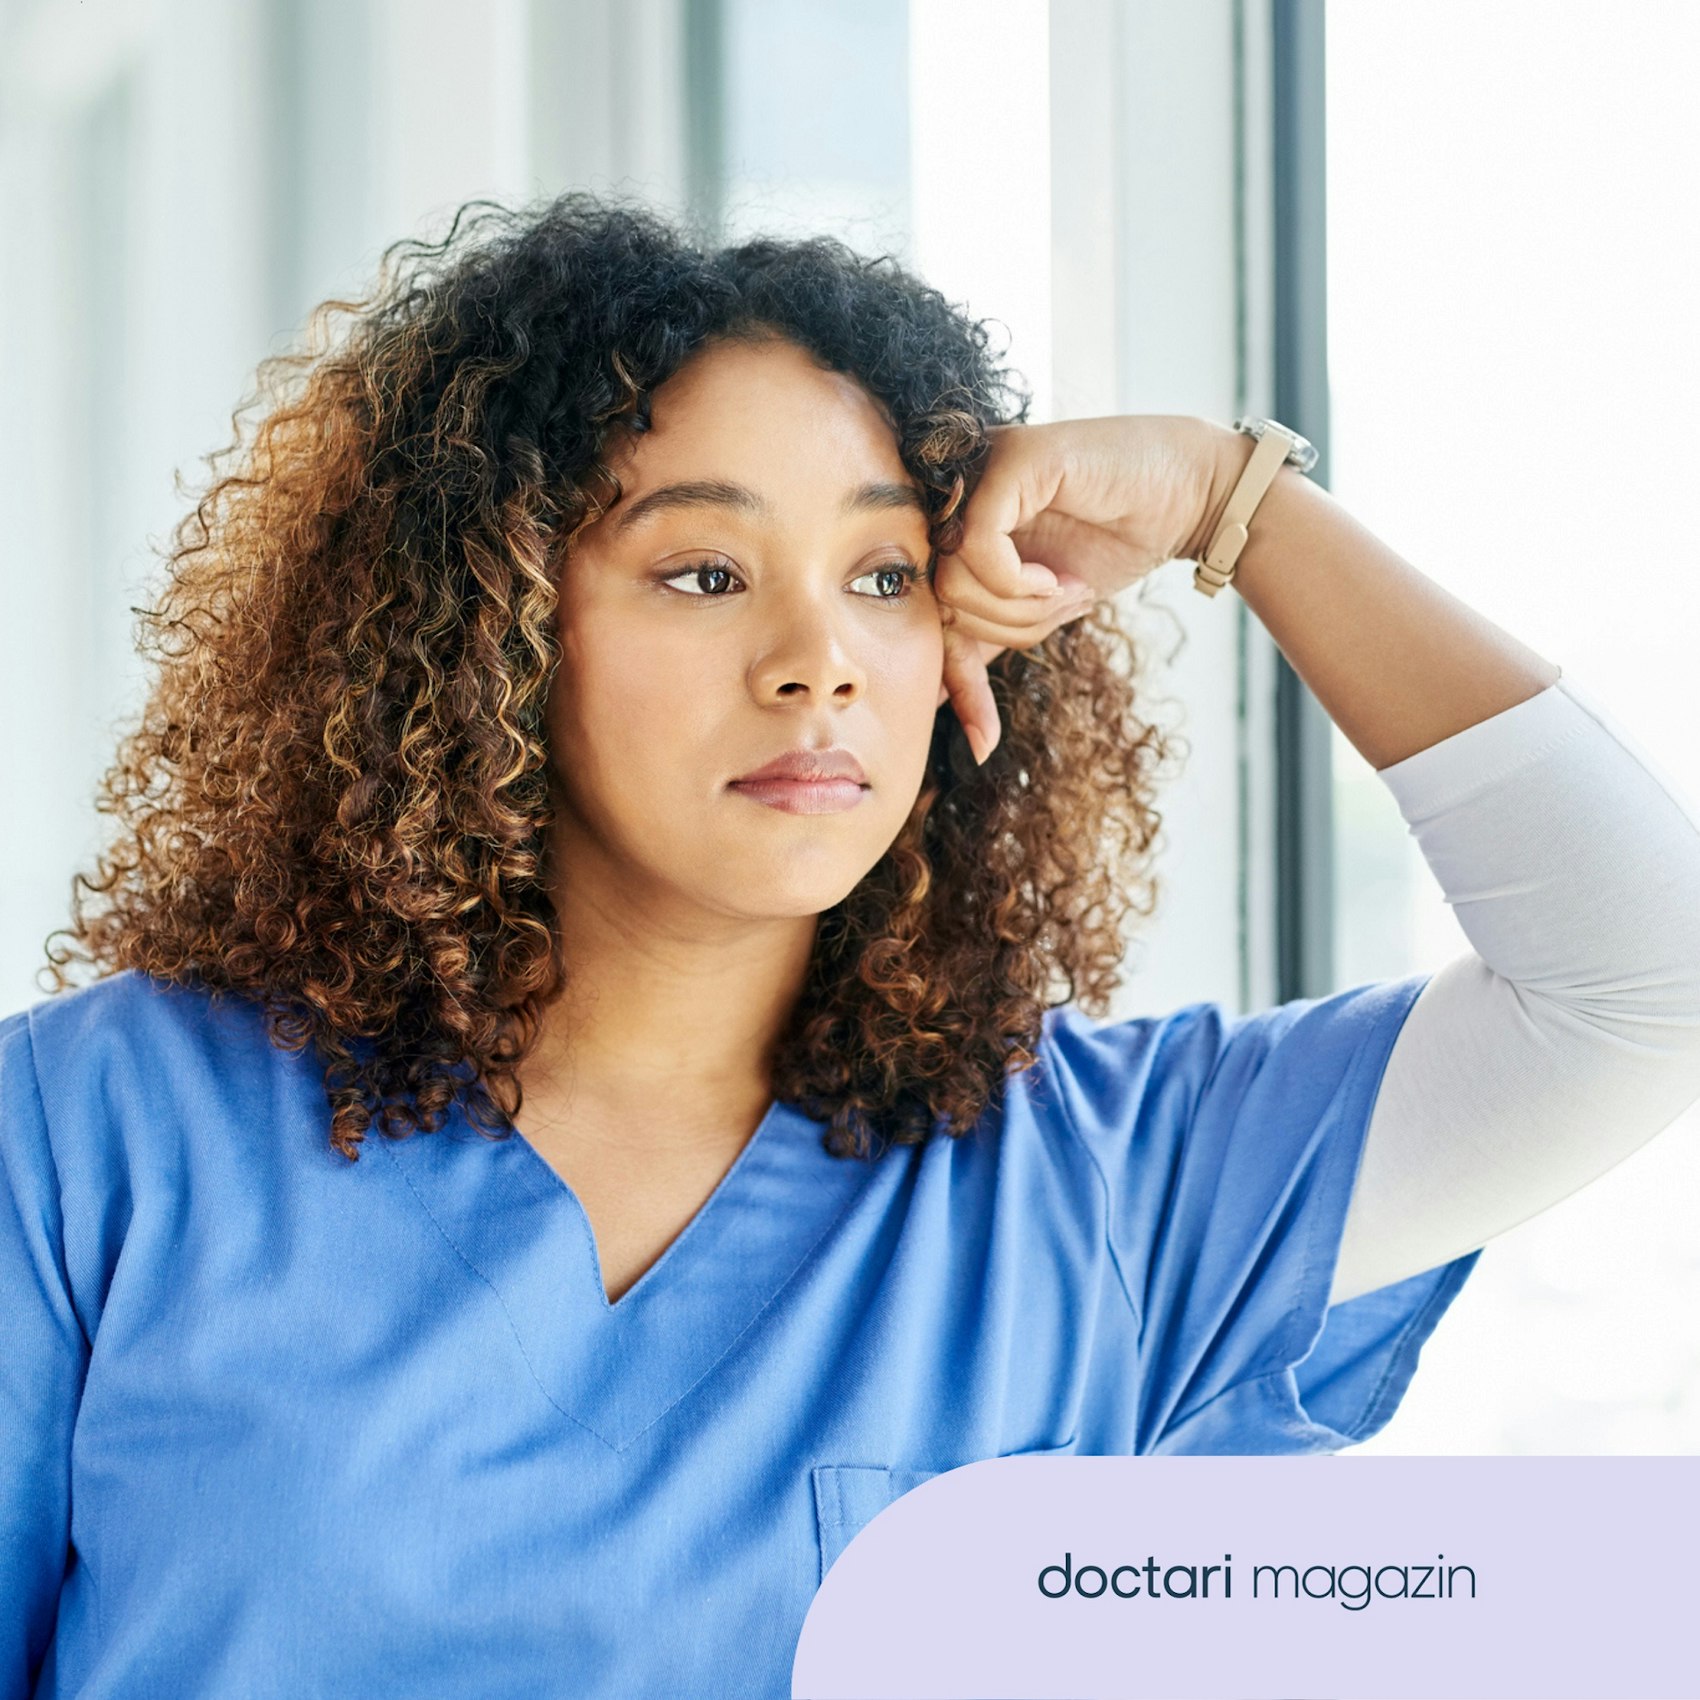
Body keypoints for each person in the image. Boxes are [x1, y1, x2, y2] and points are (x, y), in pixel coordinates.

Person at [4, 193, 1698, 1699]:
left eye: (885, 574)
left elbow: (1646, 986)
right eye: (703, 572)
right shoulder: (91, 1139)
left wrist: (1230, 502)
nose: (817, 657)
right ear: (488, 631)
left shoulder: (1108, 1187)